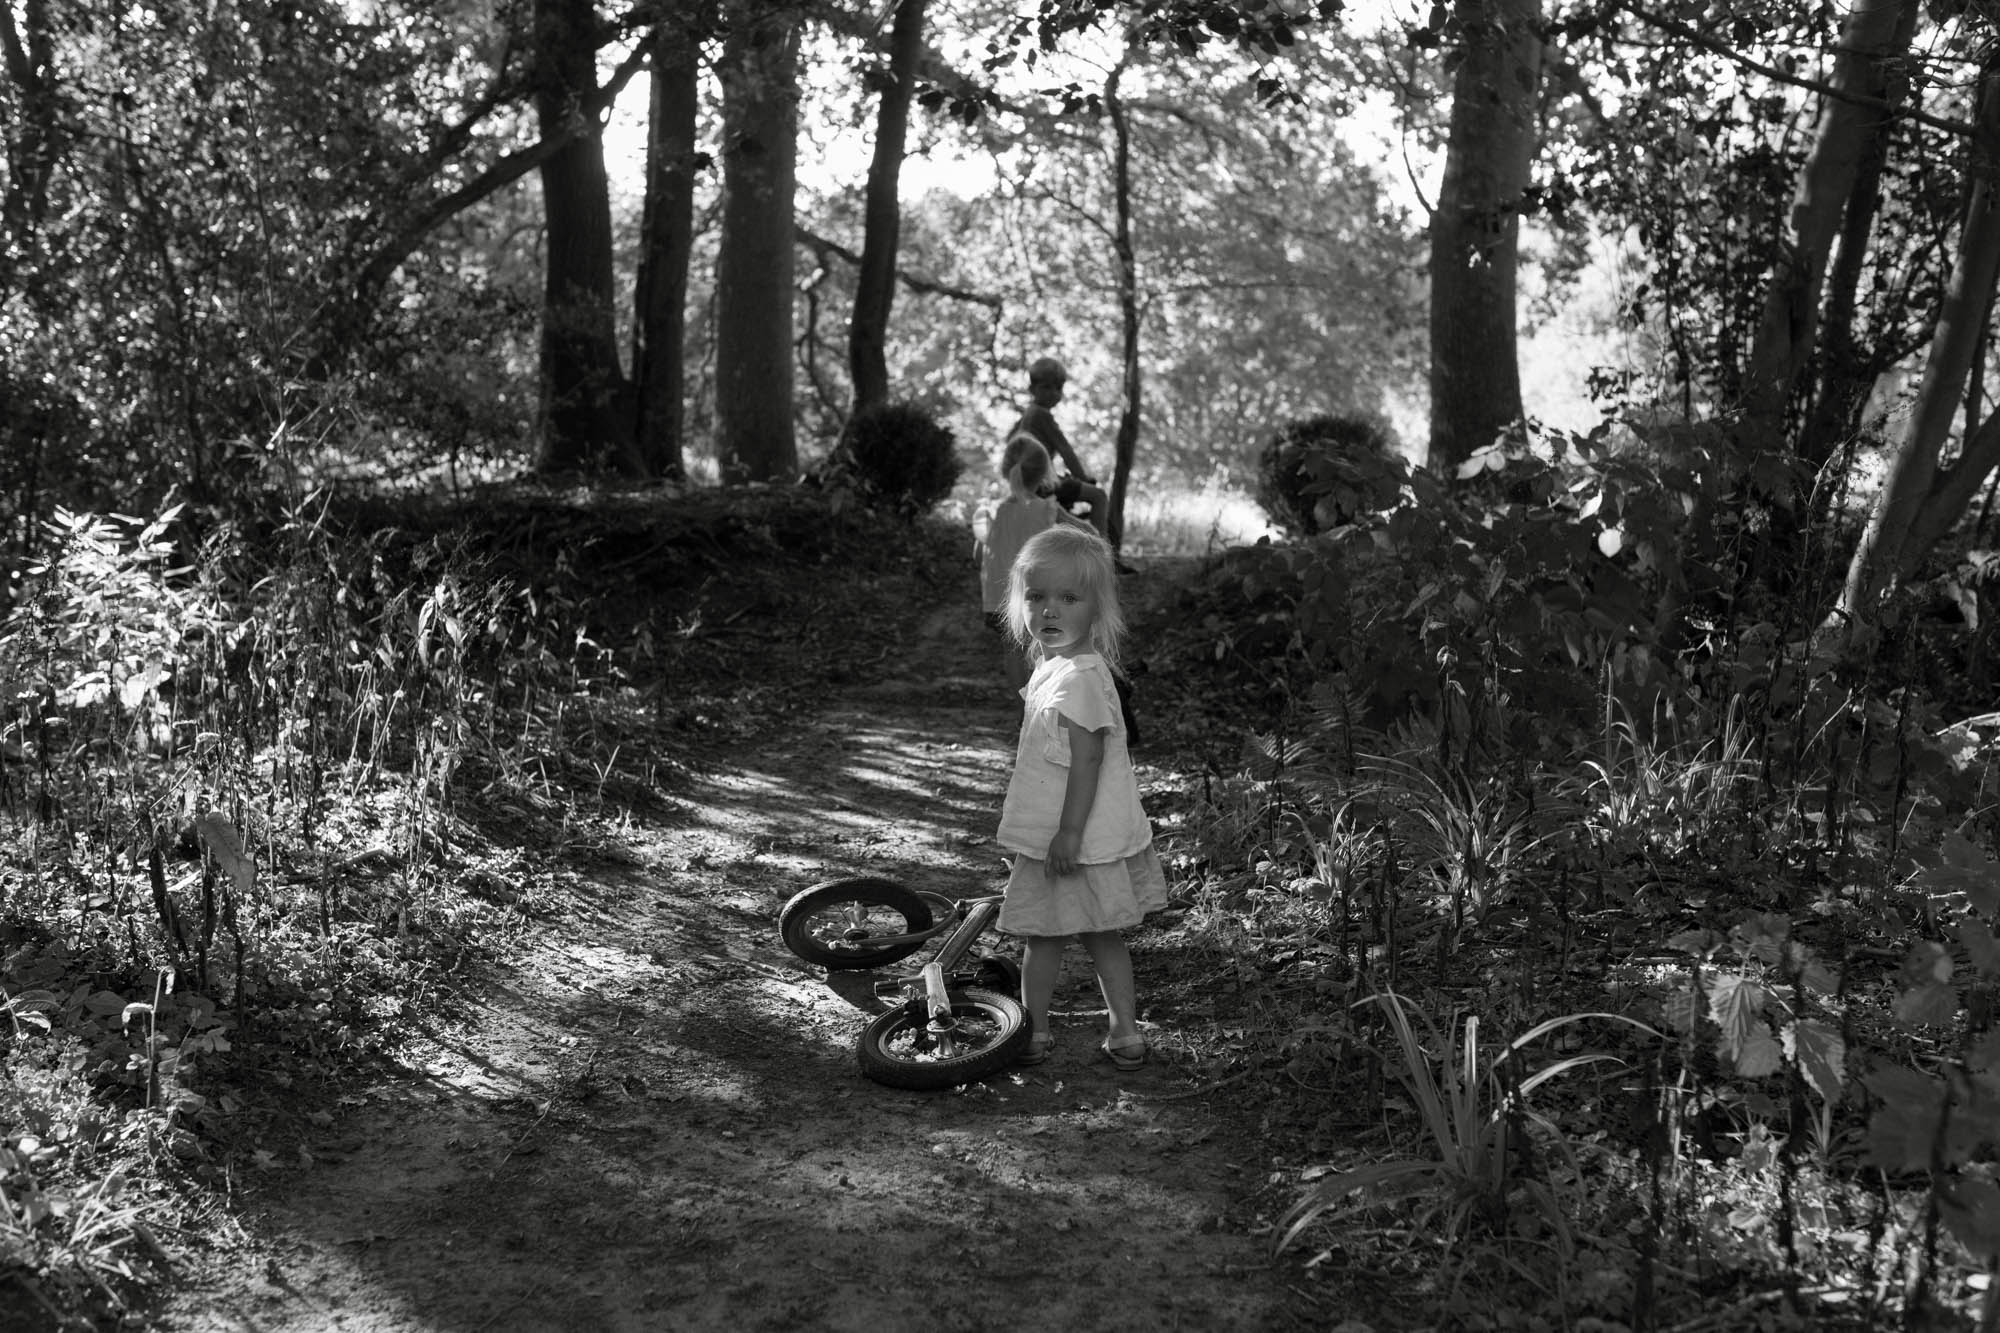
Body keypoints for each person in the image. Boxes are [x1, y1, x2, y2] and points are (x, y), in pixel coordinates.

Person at [995, 524, 1167, 1071]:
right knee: (1065, 936)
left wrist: (1067, 833)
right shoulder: (1056, 667)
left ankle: (1111, 1028)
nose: (1050, 610)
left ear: (1098, 607)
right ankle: (1047, 1030)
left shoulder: (1081, 679)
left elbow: (1087, 761)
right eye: (1036, 597)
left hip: (1073, 838)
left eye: (1068, 598)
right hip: (1062, 833)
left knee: (1072, 935)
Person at [977, 435, 1090, 693]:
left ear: (1007, 471)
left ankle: (1024, 708)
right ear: (1043, 473)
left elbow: (980, 552)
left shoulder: (992, 511)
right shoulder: (1048, 510)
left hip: (999, 597)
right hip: (1038, 596)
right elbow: (1086, 533)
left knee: (1014, 650)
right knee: (1047, 645)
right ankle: (1046, 704)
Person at [1008, 358, 1114, 546]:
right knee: (1099, 496)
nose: (1054, 393)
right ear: (1032, 390)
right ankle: (1104, 552)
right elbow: (1066, 451)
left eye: (1058, 388)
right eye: (1047, 387)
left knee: (1065, 516)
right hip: (1042, 485)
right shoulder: (1041, 415)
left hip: (1032, 482)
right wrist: (1081, 477)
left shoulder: (1029, 415)